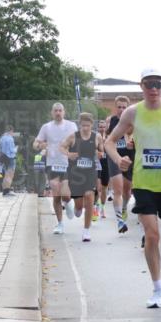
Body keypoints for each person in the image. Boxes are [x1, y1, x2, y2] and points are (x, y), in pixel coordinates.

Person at [106, 70, 161, 308]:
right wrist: (118, 158)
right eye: (149, 84)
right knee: (150, 235)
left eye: (158, 84)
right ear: (141, 86)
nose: (154, 89)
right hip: (144, 183)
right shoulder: (133, 112)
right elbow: (109, 141)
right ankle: (157, 287)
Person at [34, 103, 78, 233]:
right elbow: (35, 143)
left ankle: (68, 201)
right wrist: (39, 146)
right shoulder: (46, 127)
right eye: (55, 111)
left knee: (64, 194)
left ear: (64, 112)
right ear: (52, 113)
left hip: (67, 163)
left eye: (60, 110)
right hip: (52, 163)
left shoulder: (71, 126)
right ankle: (60, 224)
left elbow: (79, 141)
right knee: (56, 194)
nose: (58, 113)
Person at [61, 113, 101, 242]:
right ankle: (77, 208)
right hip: (75, 172)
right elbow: (61, 147)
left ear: (91, 125)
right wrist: (68, 154)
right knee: (79, 205)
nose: (85, 128)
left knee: (89, 196)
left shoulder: (97, 137)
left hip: (90, 172)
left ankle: (86, 230)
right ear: (80, 125)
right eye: (83, 125)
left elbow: (102, 151)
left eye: (88, 125)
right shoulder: (73, 136)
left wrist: (99, 153)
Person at [107, 96, 135, 233]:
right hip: (114, 157)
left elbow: (134, 138)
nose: (121, 109)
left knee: (127, 191)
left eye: (124, 107)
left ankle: (124, 208)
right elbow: (107, 139)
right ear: (115, 107)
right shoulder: (111, 121)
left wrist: (131, 144)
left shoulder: (133, 122)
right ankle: (119, 221)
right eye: (119, 107)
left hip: (129, 158)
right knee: (118, 189)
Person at [0, 125, 18, 196]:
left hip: (4, 158)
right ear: (11, 131)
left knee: (6, 174)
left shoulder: (2, 138)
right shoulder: (10, 138)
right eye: (13, 132)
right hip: (11, 158)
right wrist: (16, 149)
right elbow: (12, 150)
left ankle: (5, 191)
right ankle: (7, 190)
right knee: (10, 175)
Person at [95, 119, 109, 219]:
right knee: (97, 187)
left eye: (104, 127)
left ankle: (102, 207)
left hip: (107, 164)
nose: (102, 129)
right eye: (100, 127)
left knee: (104, 187)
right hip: (97, 163)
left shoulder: (110, 137)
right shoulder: (95, 137)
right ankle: (96, 207)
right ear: (97, 127)